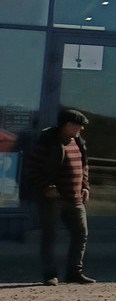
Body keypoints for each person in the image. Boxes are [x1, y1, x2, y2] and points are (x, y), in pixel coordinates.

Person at [22, 108, 94, 286]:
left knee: (81, 234)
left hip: (75, 199)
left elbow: (84, 167)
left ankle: (74, 272)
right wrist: (46, 187)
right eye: (79, 125)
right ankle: (50, 274)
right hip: (53, 200)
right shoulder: (48, 143)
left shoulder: (79, 142)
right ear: (68, 125)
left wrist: (85, 186)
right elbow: (32, 169)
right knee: (50, 236)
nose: (82, 129)